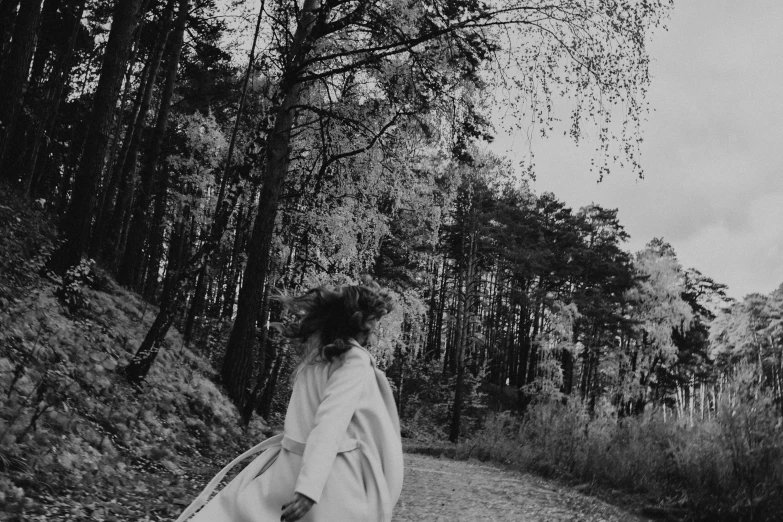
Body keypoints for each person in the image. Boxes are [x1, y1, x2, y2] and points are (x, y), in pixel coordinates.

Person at [175, 278, 404, 522]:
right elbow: (330, 424)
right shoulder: (353, 360)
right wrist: (309, 488)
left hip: (287, 470)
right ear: (357, 325)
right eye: (371, 326)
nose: (371, 335)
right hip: (330, 480)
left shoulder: (316, 360)